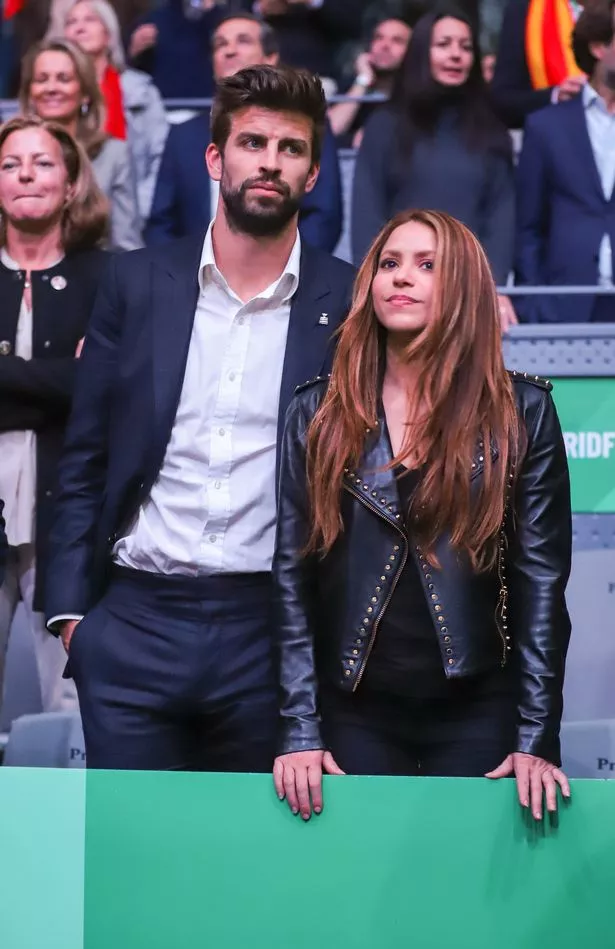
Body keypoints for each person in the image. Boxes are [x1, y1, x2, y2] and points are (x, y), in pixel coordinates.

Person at [45, 65, 355, 770]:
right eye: (251, 142)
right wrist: (72, 620)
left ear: (311, 174)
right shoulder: (135, 282)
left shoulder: (347, 298)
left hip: (268, 628)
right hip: (132, 624)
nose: (269, 162)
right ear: (215, 158)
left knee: (248, 866)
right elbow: (86, 453)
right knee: (132, 862)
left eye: (291, 148)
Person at [272, 208, 572, 823]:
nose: (400, 278)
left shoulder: (524, 412)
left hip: (477, 710)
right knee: (353, 908)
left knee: (468, 909)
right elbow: (290, 578)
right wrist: (300, 726)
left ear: (461, 285)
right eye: (389, 263)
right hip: (352, 711)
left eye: (426, 265)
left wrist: (536, 736)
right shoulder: (317, 411)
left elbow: (542, 587)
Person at [0, 115, 108, 714]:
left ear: (71, 184)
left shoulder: (108, 277)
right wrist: (60, 380)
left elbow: (101, 388)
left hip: (68, 511)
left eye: (42, 163)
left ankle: (67, 815)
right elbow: (75, 383)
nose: (26, 175)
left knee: (70, 706)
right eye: (11, 164)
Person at [351, 8, 518, 331]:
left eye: (465, 46)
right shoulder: (385, 126)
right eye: (444, 44)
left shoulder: (492, 132)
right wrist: (372, 286)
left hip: (469, 294)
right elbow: (367, 213)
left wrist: (494, 289)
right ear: (421, 52)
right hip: (400, 292)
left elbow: (501, 216)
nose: (456, 54)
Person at [146, 12, 342, 253]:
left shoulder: (306, 124)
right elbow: (160, 223)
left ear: (271, 57)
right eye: (221, 44)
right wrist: (181, 274)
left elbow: (324, 216)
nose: (229, 51)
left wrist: (289, 270)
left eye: (243, 41)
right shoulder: (182, 135)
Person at [515, 0, 615, 323]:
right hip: (565, 306)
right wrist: (534, 305)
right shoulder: (546, 126)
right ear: (599, 47)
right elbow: (528, 227)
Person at [20, 38, 142, 250]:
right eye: (41, 79)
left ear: (85, 94)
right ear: (30, 93)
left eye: (63, 78)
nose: (51, 88)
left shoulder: (114, 154)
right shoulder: (7, 152)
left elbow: (126, 245)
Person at [61, 0, 168, 221]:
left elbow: (161, 160)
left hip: (133, 214)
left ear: (109, 34)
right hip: (71, 213)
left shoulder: (141, 92)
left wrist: (138, 210)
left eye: (90, 19)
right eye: (71, 22)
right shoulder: (57, 95)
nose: (79, 27)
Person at [491, 0, 586, 129]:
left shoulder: (608, 10)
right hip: (555, 135)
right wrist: (556, 95)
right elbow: (503, 102)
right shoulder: (526, 9)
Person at [329, 16, 413, 147]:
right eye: (379, 38)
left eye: (397, 41)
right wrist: (363, 80)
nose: (385, 46)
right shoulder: (351, 86)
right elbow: (330, 131)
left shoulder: (417, 91)